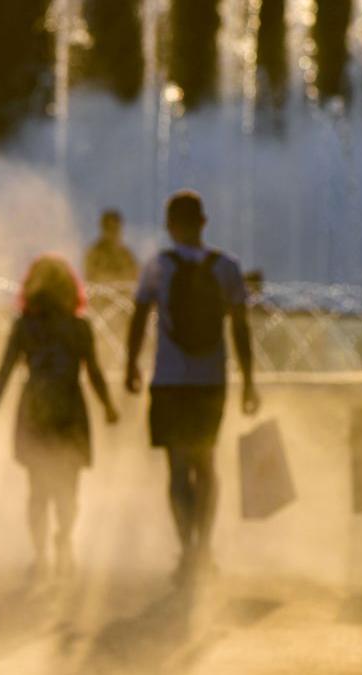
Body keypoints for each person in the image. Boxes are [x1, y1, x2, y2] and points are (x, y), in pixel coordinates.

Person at [125, 190, 260, 584]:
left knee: (178, 469)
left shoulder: (157, 268)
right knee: (207, 465)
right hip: (210, 382)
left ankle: (186, 550)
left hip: (168, 382)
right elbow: (240, 328)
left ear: (170, 225)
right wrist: (249, 381)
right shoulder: (227, 268)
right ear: (204, 222)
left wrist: (131, 365)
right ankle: (204, 548)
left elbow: (137, 318)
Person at [0, 255, 118, 580]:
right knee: (68, 488)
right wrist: (107, 405)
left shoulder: (25, 326)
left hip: (36, 408)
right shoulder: (78, 327)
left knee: (38, 490)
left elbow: (4, 373)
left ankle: (41, 557)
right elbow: (93, 371)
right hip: (69, 407)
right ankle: (62, 541)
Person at [84, 209, 139, 286]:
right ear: (103, 229)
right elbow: (91, 276)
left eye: (116, 228)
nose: (114, 232)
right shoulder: (94, 253)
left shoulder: (126, 255)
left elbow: (136, 276)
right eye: (110, 228)